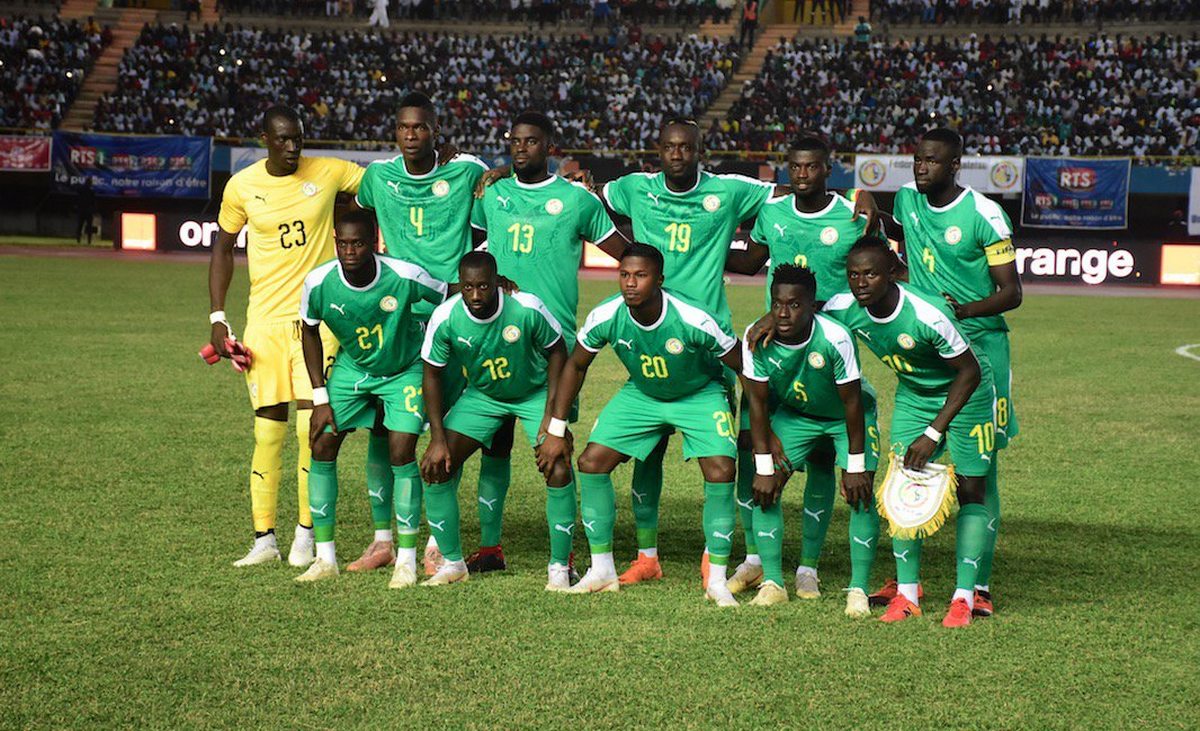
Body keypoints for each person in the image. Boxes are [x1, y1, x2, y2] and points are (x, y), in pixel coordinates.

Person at [536, 244, 749, 606]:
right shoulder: (607, 314)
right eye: (624, 275)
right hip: (644, 394)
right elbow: (576, 365)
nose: (630, 284)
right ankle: (602, 569)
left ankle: (717, 578)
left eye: (640, 275)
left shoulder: (693, 318)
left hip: (699, 392)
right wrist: (556, 429)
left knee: (720, 469)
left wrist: (756, 427)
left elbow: (745, 365)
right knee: (590, 463)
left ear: (660, 280)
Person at [464, 111, 626, 571]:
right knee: (493, 446)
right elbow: (477, 249)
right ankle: (492, 550)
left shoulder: (575, 199)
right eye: (515, 141)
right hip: (494, 338)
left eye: (531, 141)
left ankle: (565, 559)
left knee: (553, 447)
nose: (521, 148)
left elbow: (623, 252)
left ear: (549, 147)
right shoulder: (491, 193)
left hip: (550, 347)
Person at [209, 106, 363, 569]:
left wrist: (447, 164)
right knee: (267, 433)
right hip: (264, 324)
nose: (293, 147)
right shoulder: (242, 186)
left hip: (316, 324)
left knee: (309, 429)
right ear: (265, 139)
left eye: (298, 138)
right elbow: (222, 248)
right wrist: (218, 316)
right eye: (283, 140)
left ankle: (305, 532)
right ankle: (263, 539)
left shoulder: (330, 171)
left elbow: (387, 181)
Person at [876, 127, 1021, 617]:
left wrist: (964, 310)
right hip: (926, 349)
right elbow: (896, 243)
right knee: (909, 464)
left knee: (979, 471)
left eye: (932, 161)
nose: (922, 168)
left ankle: (978, 585)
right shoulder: (905, 203)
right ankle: (904, 579)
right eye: (917, 160)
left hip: (980, 348)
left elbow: (1011, 293)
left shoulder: (983, 214)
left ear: (955, 164)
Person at [354, 92, 495, 576]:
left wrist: (494, 174)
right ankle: (381, 540)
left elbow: (498, 190)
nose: (410, 135)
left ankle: (437, 538)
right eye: (403, 128)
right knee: (383, 425)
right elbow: (359, 224)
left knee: (446, 425)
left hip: (454, 312)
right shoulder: (378, 178)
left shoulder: (466, 171)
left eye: (420, 128)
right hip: (396, 315)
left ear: (436, 131)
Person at [824, 236, 996, 627]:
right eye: (853, 275)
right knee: (900, 487)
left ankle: (964, 597)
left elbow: (969, 371)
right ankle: (906, 593)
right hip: (915, 395)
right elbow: (804, 311)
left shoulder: (928, 313)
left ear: (892, 274)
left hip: (968, 392)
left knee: (971, 488)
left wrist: (934, 433)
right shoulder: (846, 308)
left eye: (870, 274)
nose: (860, 282)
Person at [725, 134, 871, 595]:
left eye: (811, 167)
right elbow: (750, 261)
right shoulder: (772, 212)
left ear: (829, 169)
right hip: (773, 345)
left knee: (825, 458)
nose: (802, 174)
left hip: (826, 346)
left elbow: (881, 265)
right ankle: (754, 559)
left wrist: (795, 312)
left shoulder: (852, 215)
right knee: (752, 444)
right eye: (795, 167)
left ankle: (807, 568)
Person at [295, 211, 447, 583]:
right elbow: (309, 332)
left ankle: (406, 561)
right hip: (354, 370)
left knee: (400, 450)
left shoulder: (404, 276)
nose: (350, 251)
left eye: (358, 243)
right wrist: (320, 398)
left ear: (375, 243)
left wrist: (497, 286)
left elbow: (448, 294)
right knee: (321, 443)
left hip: (404, 369)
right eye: (343, 244)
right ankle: (324, 559)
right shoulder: (318, 283)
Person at [419, 252, 575, 589]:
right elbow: (431, 374)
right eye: (468, 287)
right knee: (436, 467)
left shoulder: (526, 307)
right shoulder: (446, 316)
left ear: (497, 284)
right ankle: (454, 562)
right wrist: (437, 437)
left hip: (533, 393)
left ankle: (561, 568)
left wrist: (553, 420)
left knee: (558, 463)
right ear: (460, 285)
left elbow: (558, 352)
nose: (476, 296)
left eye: (484, 287)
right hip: (483, 397)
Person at [740, 265, 880, 614]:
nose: (784, 313)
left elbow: (852, 404)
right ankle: (773, 583)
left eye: (795, 305)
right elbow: (756, 404)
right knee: (765, 487)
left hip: (846, 419)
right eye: (777, 304)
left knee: (860, 493)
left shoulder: (835, 337)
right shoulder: (756, 339)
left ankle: (857, 589)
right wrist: (763, 467)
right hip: (797, 417)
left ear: (812, 305)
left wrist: (855, 465)